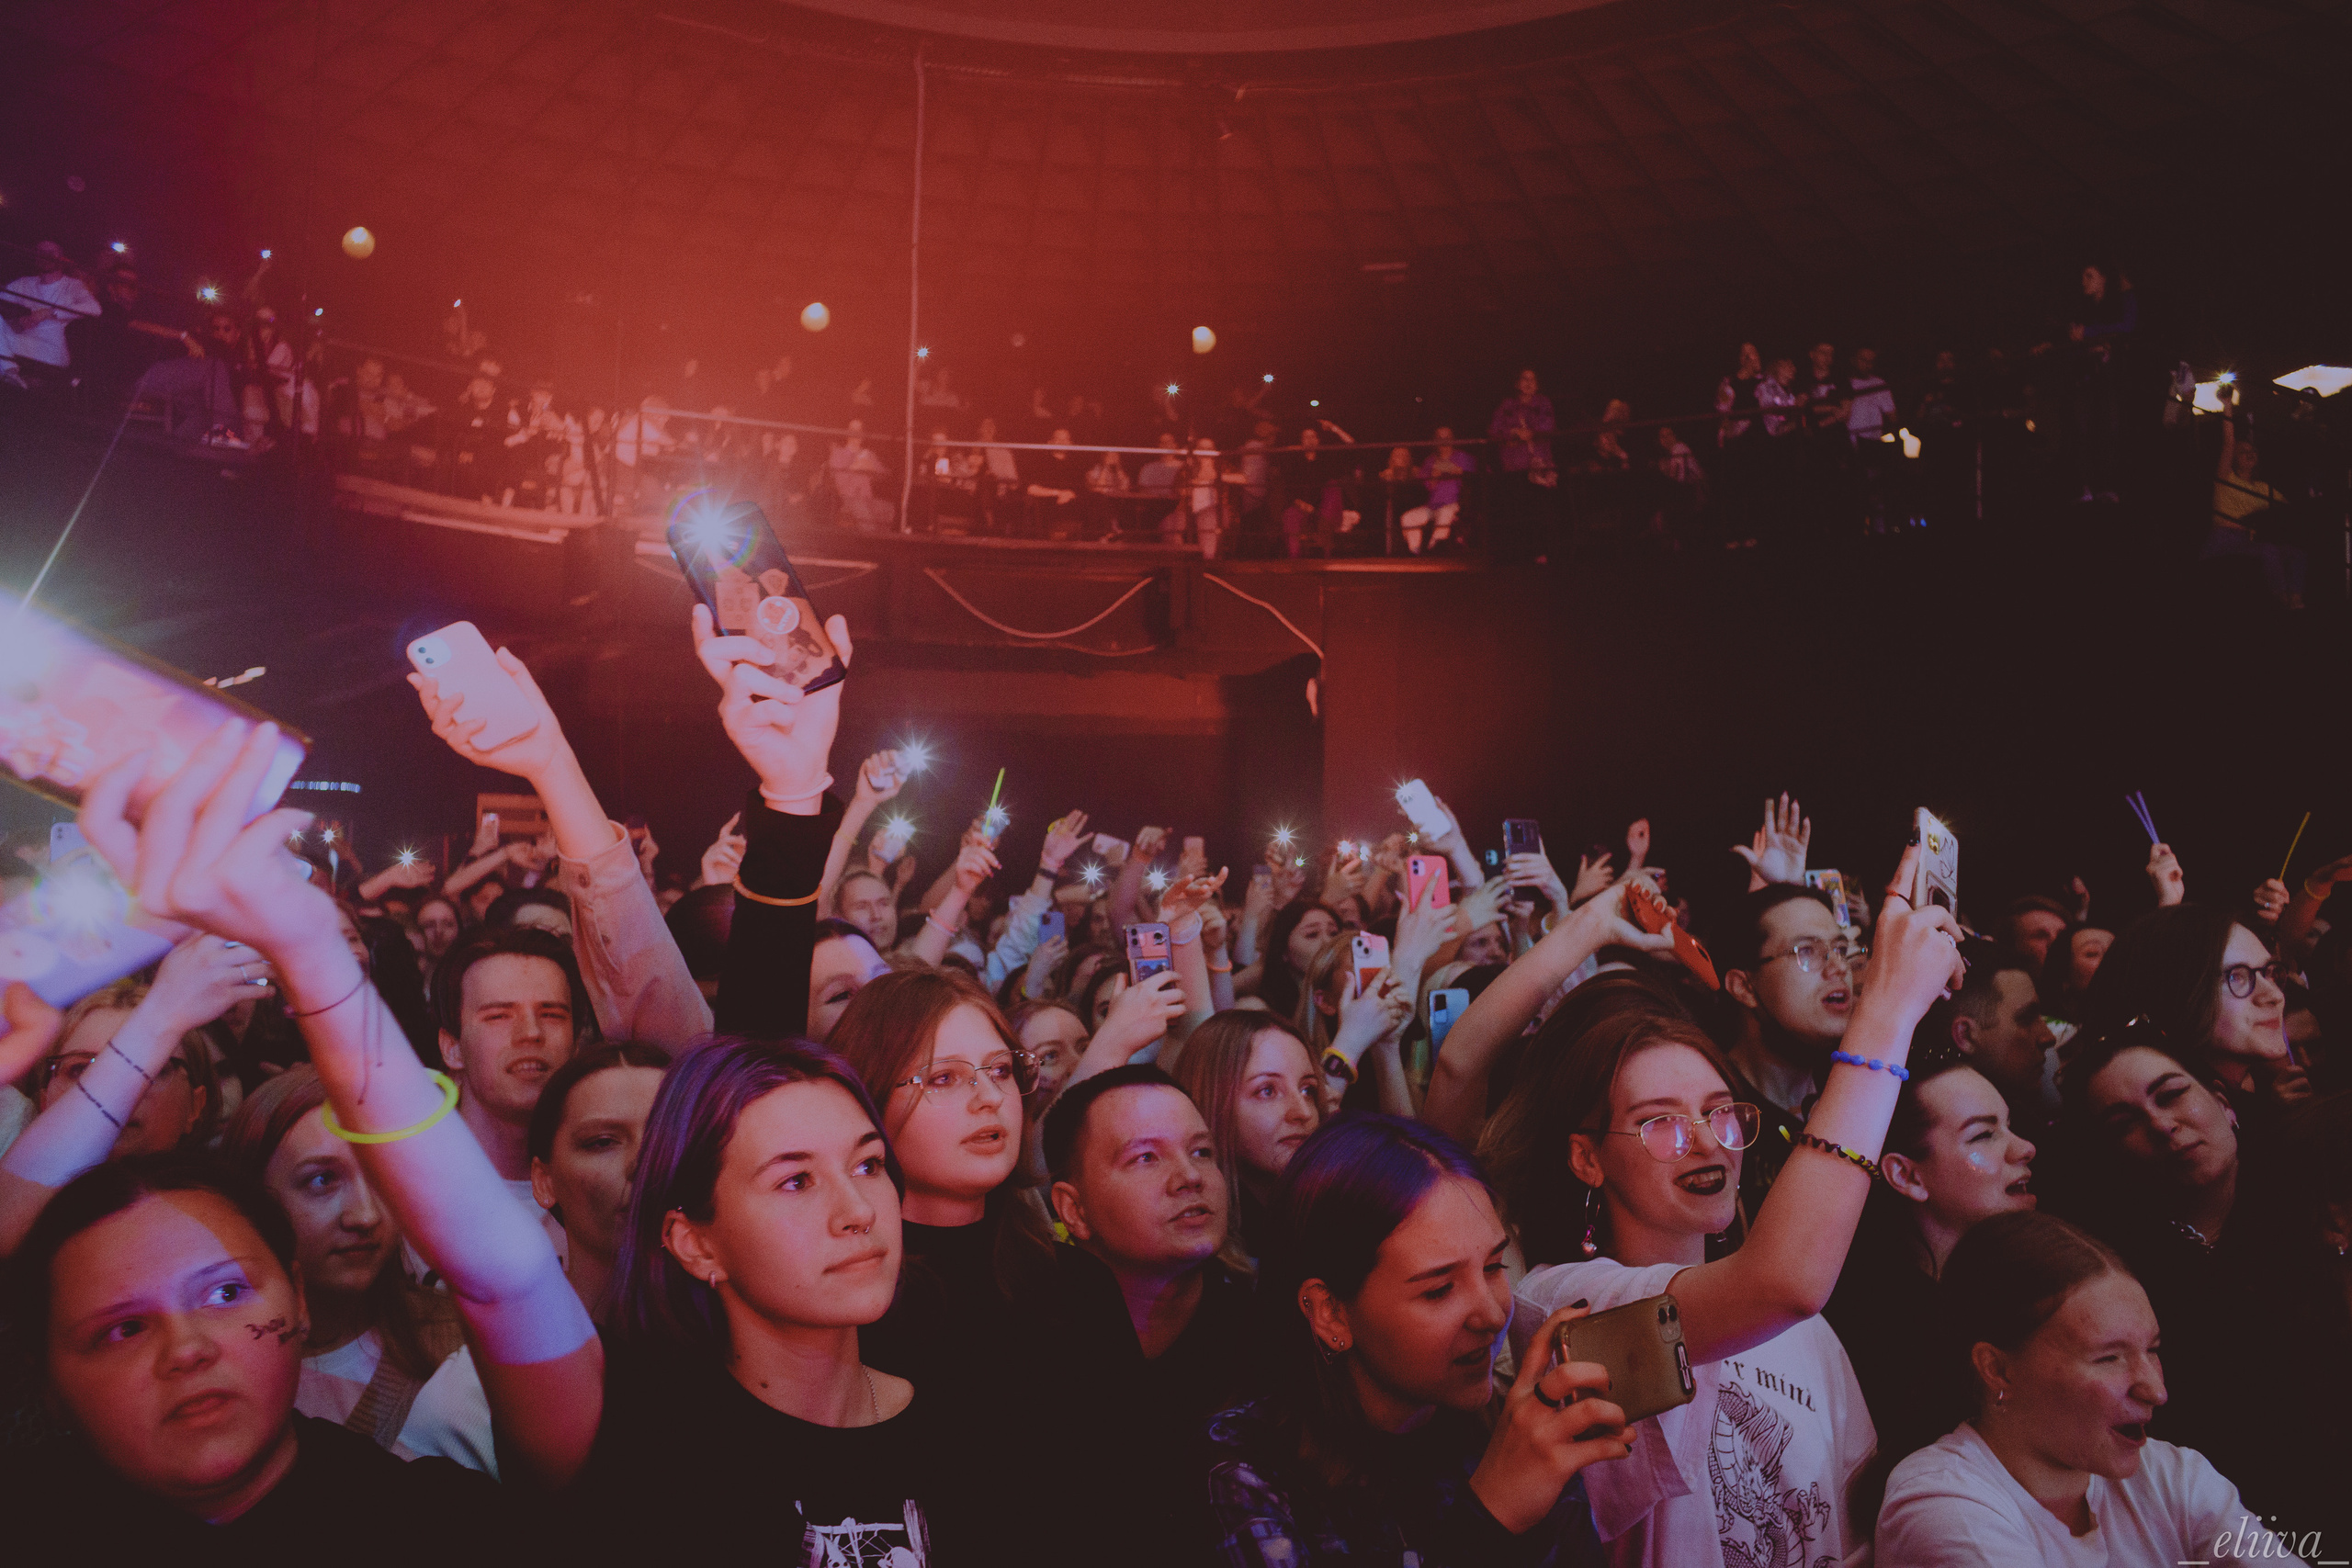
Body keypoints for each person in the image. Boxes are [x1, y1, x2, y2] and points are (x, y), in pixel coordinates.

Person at [72, 715, 1012, 1562]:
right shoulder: (631, 1437)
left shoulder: (975, 1423)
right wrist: (311, 954)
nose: (857, 1211)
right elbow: (501, 1271)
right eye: (795, 1183)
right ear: (692, 1238)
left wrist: (802, 795)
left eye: (867, 1164)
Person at [1506, 847, 1962, 1567]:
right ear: (1588, 1157)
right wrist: (1887, 1010)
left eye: (1720, 1114)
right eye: (1660, 1122)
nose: (1706, 1145)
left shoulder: (1805, 1335)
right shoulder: (1563, 1309)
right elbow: (1782, 1281)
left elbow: (1850, 1534)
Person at [0, 1156, 515, 1559]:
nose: (186, 1350)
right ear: (47, 1379)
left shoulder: (440, 1527)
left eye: (225, 1293)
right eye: (124, 1329)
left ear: (299, 1297)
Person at [1199, 1113, 1630, 1566]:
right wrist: (1491, 1515)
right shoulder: (1243, 1475)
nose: (1490, 1314)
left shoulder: (1506, 1430)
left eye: (1493, 1267)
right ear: (1331, 1313)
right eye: (1438, 1289)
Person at [2060, 1021, 2352, 1543]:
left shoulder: (2317, 1188)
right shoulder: (2118, 1271)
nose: (2162, 1124)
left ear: (2223, 1099)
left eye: (2171, 1095)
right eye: (2123, 1121)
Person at [1877, 1211, 2308, 1565]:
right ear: (1998, 1370)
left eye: (2152, 1349)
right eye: (2109, 1358)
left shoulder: (2172, 1476)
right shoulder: (1942, 1504)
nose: (2155, 1391)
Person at [220, 1068, 493, 1470]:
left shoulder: (460, 1338)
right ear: (253, 1198)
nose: (365, 1215)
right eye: (322, 1180)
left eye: (382, 1174)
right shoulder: (221, 1360)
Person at [1042, 1065, 1253, 1556]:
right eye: (1145, 1158)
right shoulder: (1029, 1349)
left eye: (1202, 1152)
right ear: (1073, 1211)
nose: (1189, 1177)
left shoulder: (1268, 1334)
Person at [1821, 1052, 2040, 1472]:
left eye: (2009, 1126)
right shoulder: (1884, 1334)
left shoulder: (2028, 1287)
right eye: (1983, 1136)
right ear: (1907, 1176)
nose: (2025, 1148)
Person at [0, 934, 254, 1255]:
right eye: (80, 1069)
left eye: (150, 1068)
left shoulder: (235, 1224)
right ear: (44, 1096)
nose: (116, 1093)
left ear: (195, 1105)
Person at [429, 925, 591, 1265]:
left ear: (577, 1044)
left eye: (551, 1015)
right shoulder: (400, 1188)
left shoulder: (608, 1192)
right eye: (498, 1016)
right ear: (452, 1047)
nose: (531, 1033)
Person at [2082, 904, 2303, 1118]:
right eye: (2237, 976)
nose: (2275, 996)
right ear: (2170, 995)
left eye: (2269, 973)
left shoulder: (2259, 1110)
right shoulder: (2181, 1136)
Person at [525, 1043, 667, 1319]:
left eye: (666, 1137)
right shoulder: (499, 1357)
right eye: (602, 1142)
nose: (642, 1162)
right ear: (545, 1181)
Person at [1170, 1010, 1322, 1262]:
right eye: (1267, 1091)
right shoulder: (1195, 1246)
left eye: (1307, 1090)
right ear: (1213, 1103)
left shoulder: (1327, 1211)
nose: (1303, 1112)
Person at [2207, 387, 2305, 609]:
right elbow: (2228, 443)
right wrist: (2227, 405)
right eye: (2243, 452)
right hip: (2225, 537)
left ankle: (2296, 599)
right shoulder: (2226, 477)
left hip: (2251, 539)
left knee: (2296, 553)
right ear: (2234, 459)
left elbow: (2288, 508)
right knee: (2269, 551)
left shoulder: (2263, 487)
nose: (2250, 453)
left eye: (2253, 451)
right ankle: (2280, 601)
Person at [0, 240, 100, 387]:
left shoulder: (72, 285)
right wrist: (15, 321)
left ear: (60, 257)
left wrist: (49, 312)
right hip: (22, 341)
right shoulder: (25, 283)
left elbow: (94, 309)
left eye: (50, 253)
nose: (45, 256)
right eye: (41, 253)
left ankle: (8, 373)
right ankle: (11, 374)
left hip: (52, 350)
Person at [1487, 367, 1557, 560]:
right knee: (1517, 510)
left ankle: (1542, 553)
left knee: (1541, 511)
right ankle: (1520, 556)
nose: (1528, 383)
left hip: (1539, 465)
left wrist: (1532, 432)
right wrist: (1514, 433)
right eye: (1524, 379)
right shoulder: (1507, 406)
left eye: (1532, 379)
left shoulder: (1543, 403)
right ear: (1517, 384)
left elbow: (1548, 426)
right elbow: (1494, 431)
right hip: (1514, 466)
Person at [1406, 427, 1475, 555]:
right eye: (1440, 438)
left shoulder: (1462, 457)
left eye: (1447, 437)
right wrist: (1434, 477)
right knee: (1408, 518)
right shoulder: (1430, 461)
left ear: (1452, 439)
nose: (1444, 441)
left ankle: (1435, 550)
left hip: (1454, 504)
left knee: (1444, 513)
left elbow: (1479, 474)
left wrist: (1460, 472)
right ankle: (1415, 552)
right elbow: (1425, 485)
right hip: (1432, 506)